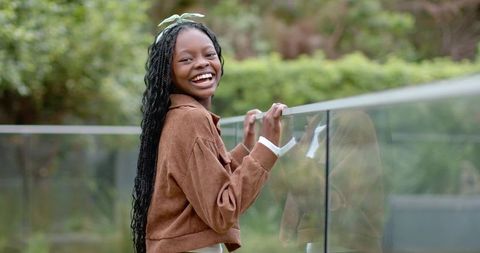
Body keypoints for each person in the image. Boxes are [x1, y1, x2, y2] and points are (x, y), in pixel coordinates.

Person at [131, 13, 287, 253]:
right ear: (167, 72)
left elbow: (201, 184)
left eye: (209, 54)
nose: (202, 63)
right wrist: (267, 146)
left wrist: (247, 147)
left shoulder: (175, 115)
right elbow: (222, 211)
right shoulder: (190, 118)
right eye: (186, 59)